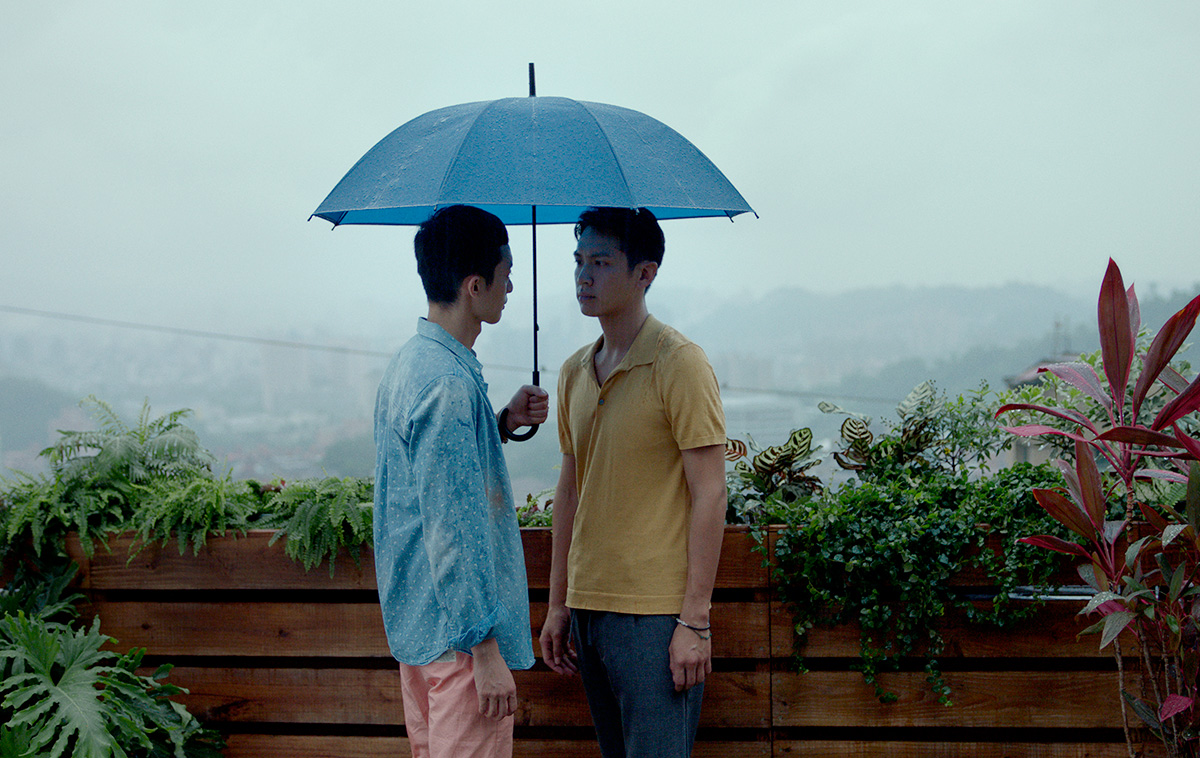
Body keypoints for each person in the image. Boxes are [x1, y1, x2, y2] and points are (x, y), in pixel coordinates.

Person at [538, 207, 727, 757]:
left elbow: (710, 492)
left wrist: (695, 620)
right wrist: (558, 604)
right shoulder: (574, 370)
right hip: (587, 608)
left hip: (655, 615)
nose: (583, 276)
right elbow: (569, 491)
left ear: (645, 273)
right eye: (578, 261)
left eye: (601, 262)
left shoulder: (679, 362)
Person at [373, 204, 548, 758]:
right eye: (505, 274)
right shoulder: (447, 383)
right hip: (461, 647)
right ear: (475, 286)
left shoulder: (410, 364)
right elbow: (453, 526)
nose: (511, 287)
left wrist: (501, 422)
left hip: (420, 633)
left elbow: (431, 482)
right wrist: (485, 650)